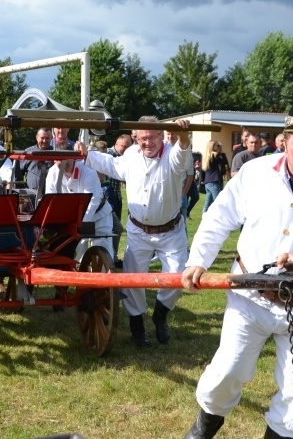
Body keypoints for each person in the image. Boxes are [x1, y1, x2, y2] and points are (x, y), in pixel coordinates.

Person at [181, 95, 293, 439]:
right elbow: (218, 218)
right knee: (226, 373)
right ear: (285, 141)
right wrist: (197, 262)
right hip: (249, 297)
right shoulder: (255, 172)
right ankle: (201, 433)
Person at [75, 116, 192, 348]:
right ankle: (137, 325)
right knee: (132, 279)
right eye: (143, 138)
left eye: (152, 137)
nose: (148, 142)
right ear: (136, 137)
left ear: (161, 136)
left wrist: (184, 136)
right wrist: (86, 154)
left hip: (171, 232)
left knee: (179, 278)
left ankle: (160, 315)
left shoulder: (171, 154)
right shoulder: (131, 156)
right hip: (139, 231)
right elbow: (112, 165)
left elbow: (182, 154)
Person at [45, 141, 113, 262]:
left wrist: (80, 225)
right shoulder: (52, 173)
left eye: (67, 159)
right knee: (77, 253)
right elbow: (52, 199)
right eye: (60, 160)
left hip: (99, 216)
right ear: (54, 160)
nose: (64, 162)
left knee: (103, 248)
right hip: (72, 218)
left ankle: (104, 278)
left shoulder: (88, 172)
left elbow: (92, 201)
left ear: (74, 158)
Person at [0, 127, 53, 196]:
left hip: (50, 194)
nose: (44, 141)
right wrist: (21, 191)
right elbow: (17, 174)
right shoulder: (28, 153)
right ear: (37, 138)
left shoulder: (55, 153)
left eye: (47, 138)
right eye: (42, 138)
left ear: (51, 138)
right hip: (31, 195)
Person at [106, 134, 133, 267]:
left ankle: (113, 256)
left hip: (116, 195)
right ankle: (112, 257)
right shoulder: (109, 153)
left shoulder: (126, 157)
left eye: (128, 147)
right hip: (107, 198)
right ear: (116, 144)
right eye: (123, 146)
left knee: (115, 228)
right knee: (114, 228)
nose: (126, 149)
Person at [202, 140, 228, 213]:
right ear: (212, 147)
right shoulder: (214, 156)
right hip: (213, 182)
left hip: (208, 182)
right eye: (217, 146)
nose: (219, 147)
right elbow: (224, 161)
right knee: (218, 202)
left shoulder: (208, 156)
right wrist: (221, 151)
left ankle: (204, 219)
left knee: (207, 203)